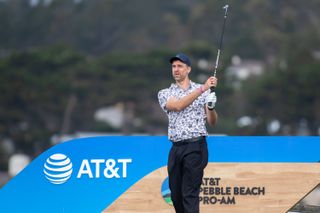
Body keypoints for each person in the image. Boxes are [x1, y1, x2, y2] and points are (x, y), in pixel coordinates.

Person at [158, 53, 218, 213]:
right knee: (176, 196)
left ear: (188, 69)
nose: (176, 70)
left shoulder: (203, 92)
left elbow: (212, 121)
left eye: (180, 66)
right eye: (173, 66)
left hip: (195, 146)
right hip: (176, 148)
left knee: (189, 194)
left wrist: (211, 107)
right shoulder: (165, 93)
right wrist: (203, 88)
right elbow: (177, 106)